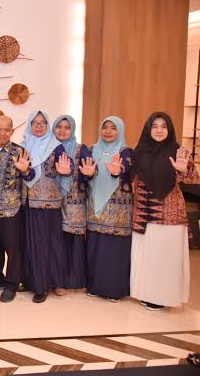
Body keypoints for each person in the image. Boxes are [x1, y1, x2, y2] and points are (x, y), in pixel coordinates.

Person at [131, 112, 197, 310]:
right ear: (148, 129)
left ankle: (163, 297)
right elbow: (128, 177)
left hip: (170, 215)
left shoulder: (178, 151)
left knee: (166, 257)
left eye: (163, 126)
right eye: (154, 126)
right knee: (147, 256)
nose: (159, 130)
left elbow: (193, 178)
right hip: (144, 212)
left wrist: (183, 170)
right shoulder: (139, 151)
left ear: (170, 129)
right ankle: (146, 293)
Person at [22, 110, 73, 303]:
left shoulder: (55, 146)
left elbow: (68, 165)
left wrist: (66, 170)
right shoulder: (24, 145)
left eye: (42, 122)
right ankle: (31, 281)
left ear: (47, 125)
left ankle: (43, 286)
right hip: (28, 203)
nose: (38, 126)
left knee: (46, 245)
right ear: (30, 125)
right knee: (30, 244)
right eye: (35, 122)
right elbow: (24, 173)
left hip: (49, 204)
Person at [0, 115, 34, 302]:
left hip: (12, 209)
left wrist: (25, 170)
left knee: (13, 249)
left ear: (12, 131)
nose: (2, 133)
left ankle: (12, 284)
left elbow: (30, 178)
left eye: (7, 130)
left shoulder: (20, 152)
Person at [84, 117, 132, 302]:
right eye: (105, 127)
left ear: (120, 131)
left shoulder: (125, 151)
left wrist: (117, 171)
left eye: (113, 128)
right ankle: (94, 286)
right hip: (95, 204)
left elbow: (126, 169)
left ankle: (114, 289)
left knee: (114, 249)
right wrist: (88, 175)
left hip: (118, 208)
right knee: (95, 247)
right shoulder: (92, 149)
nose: (108, 131)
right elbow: (88, 173)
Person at [53, 115, 91, 292]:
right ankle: (57, 281)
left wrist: (89, 173)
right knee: (56, 243)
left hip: (74, 203)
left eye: (67, 127)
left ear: (73, 129)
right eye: (59, 126)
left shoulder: (80, 149)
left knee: (71, 242)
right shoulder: (48, 148)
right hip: (53, 202)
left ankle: (71, 281)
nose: (62, 130)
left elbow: (90, 170)